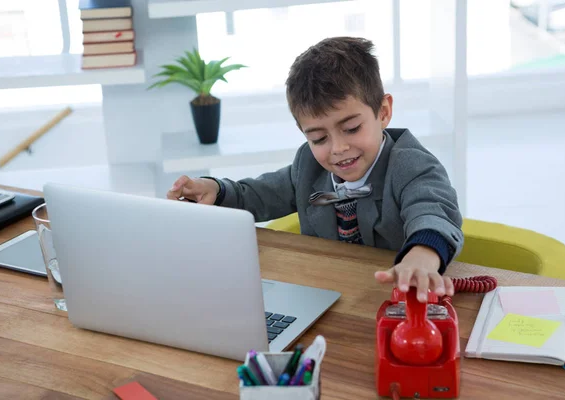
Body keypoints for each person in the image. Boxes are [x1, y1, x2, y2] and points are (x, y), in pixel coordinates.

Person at [167, 37, 463, 302]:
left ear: (383, 112)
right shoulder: (307, 166)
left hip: (396, 301)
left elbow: (433, 211)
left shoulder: (412, 166)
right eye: (318, 138)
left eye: (351, 128)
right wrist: (216, 191)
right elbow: (255, 195)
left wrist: (423, 255)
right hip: (328, 297)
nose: (337, 148)